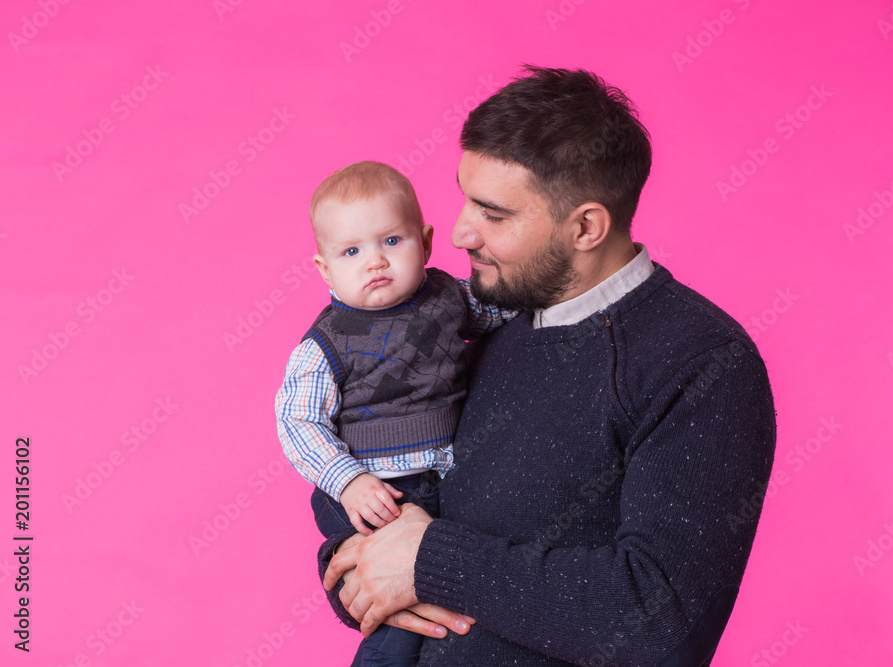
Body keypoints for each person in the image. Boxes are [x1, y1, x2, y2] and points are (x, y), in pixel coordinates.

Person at [321, 67, 778, 666]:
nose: (459, 232)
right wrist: (351, 560)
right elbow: (389, 466)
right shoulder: (487, 322)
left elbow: (658, 619)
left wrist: (429, 561)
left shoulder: (702, 362)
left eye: (495, 214)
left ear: (586, 226)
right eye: (464, 196)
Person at [275, 161, 515, 666]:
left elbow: (502, 312)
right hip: (374, 488)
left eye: (391, 241)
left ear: (425, 243)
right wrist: (347, 481)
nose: (375, 263)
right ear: (325, 269)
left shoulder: (449, 298)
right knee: (400, 611)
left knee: (446, 597)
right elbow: (298, 421)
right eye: (352, 251)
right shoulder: (331, 340)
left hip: (441, 475)